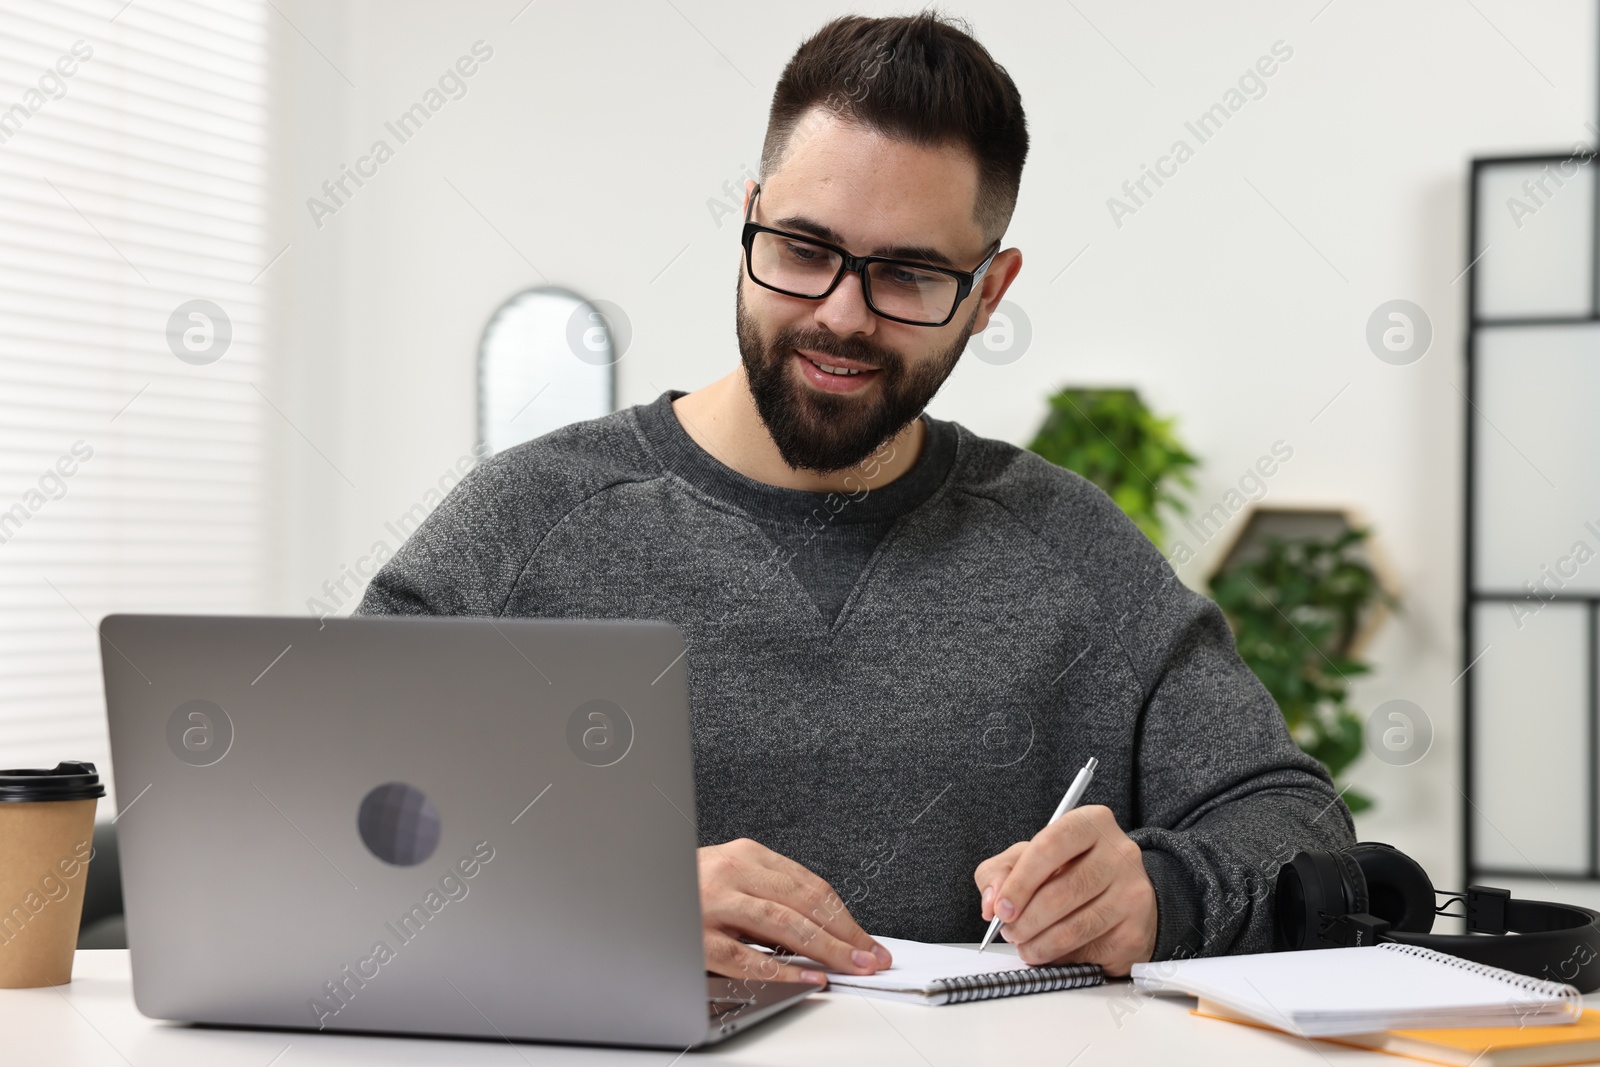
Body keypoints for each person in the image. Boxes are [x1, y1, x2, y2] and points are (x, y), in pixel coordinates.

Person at [357, 11, 1354, 988]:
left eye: (910, 274)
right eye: (801, 249)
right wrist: (604, 899)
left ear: (988, 292)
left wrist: (1164, 890)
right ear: (748, 213)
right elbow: (326, 822)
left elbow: (1292, 821)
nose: (840, 314)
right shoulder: (527, 522)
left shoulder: (1071, 549)